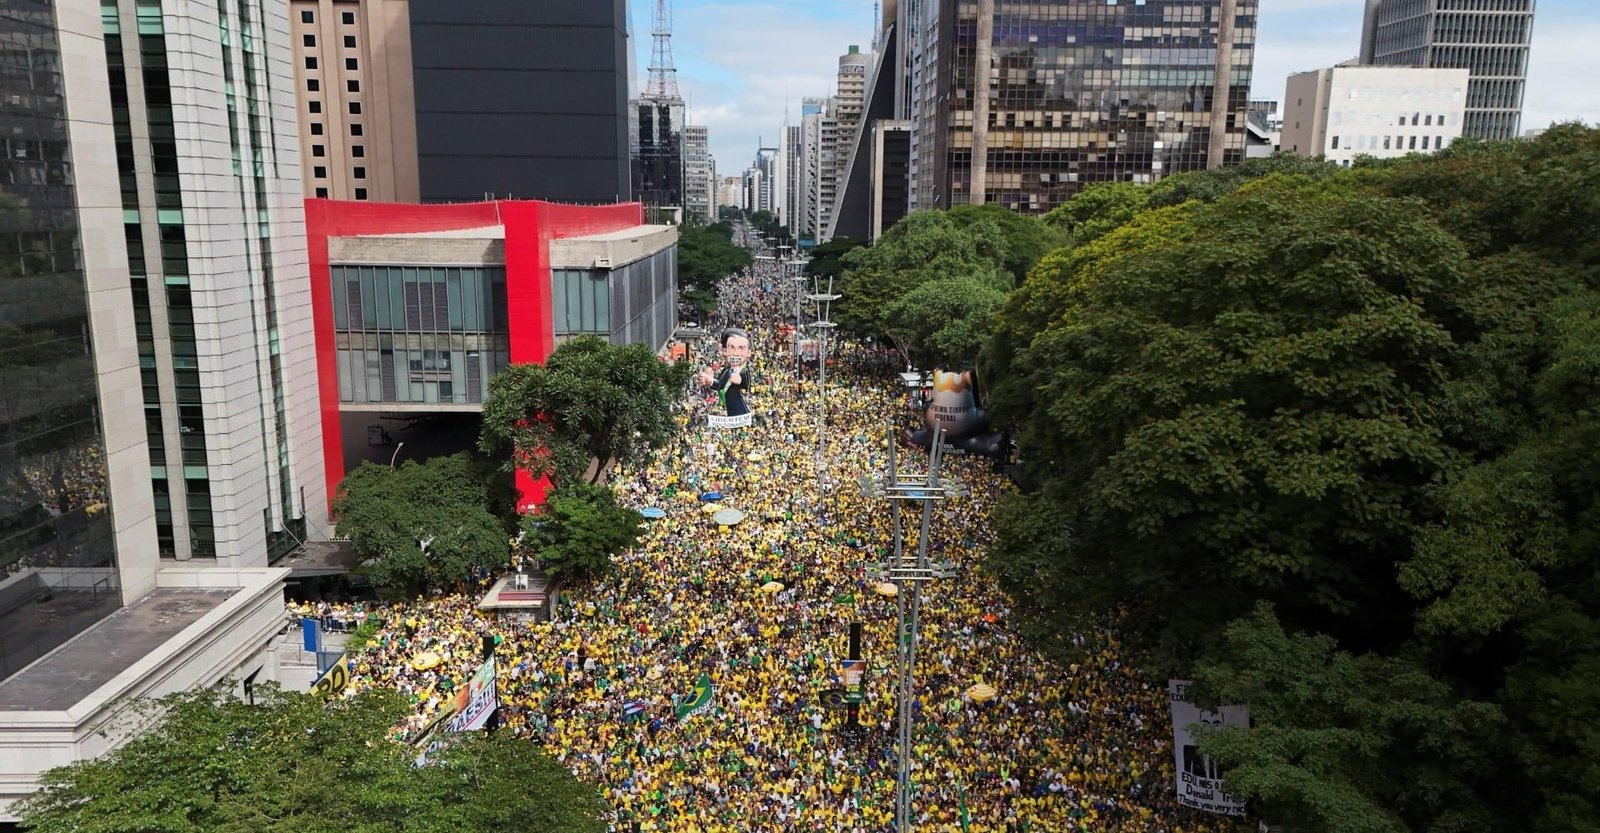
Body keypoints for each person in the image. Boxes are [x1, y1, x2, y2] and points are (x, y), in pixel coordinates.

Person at [696, 328, 754, 418]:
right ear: (724, 351)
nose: (736, 353)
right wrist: (709, 381)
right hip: (730, 410)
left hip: (740, 410)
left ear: (749, 352)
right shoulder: (727, 370)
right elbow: (719, 385)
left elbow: (747, 384)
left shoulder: (744, 371)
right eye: (731, 348)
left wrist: (741, 380)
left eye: (741, 348)